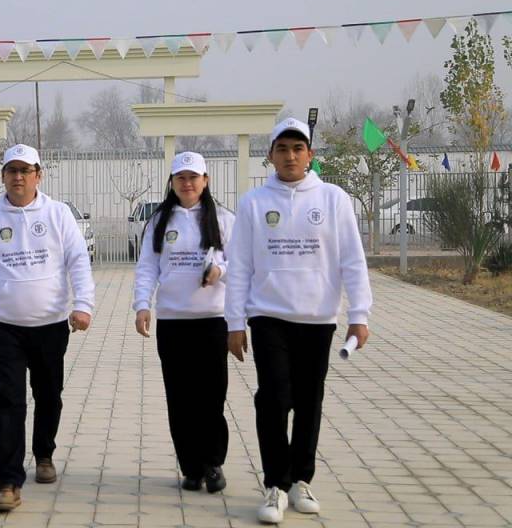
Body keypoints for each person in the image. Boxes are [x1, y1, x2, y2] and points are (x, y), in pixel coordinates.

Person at [225, 118, 372, 524]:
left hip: (318, 318)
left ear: (310, 155)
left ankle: (300, 480)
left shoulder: (333, 199)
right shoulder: (254, 202)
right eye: (282, 149)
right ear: (270, 156)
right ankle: (275, 484)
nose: (290, 156)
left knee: (309, 400)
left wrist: (359, 315)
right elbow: (239, 266)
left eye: (298, 149)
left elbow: (352, 259)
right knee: (274, 397)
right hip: (268, 315)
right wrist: (234, 322)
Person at [0, 144, 95, 512]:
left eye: (25, 170)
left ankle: (44, 453)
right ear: (3, 176)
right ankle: (9, 482)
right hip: (3, 327)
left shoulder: (58, 214)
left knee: (49, 395)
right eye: (12, 170)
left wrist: (83, 305)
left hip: (50, 325)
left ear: (39, 175)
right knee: (10, 402)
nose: (18, 177)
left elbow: (78, 261)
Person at [132, 151, 235, 494]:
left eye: (194, 177)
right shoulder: (160, 221)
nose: (187, 183)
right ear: (172, 182)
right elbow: (147, 267)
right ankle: (190, 467)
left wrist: (220, 271)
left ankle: (213, 463)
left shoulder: (223, 219)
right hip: (173, 323)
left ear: (205, 180)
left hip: (212, 321)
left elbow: (241, 264)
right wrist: (142, 305)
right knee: (180, 399)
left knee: (212, 397)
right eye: (181, 178)